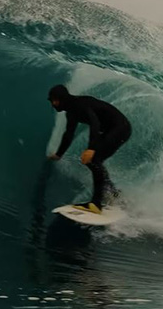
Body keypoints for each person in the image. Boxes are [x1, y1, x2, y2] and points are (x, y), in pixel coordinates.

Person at [47, 84, 132, 214]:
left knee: (93, 160)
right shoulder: (71, 112)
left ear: (61, 99)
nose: (53, 104)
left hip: (120, 128)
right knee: (95, 162)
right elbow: (69, 134)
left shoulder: (79, 104)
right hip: (113, 129)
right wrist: (59, 154)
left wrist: (91, 148)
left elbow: (95, 123)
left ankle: (96, 204)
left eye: (54, 100)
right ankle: (113, 195)